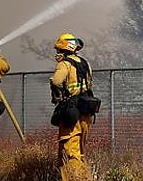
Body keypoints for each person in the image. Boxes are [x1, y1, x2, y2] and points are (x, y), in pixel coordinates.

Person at [49, 33, 95, 181]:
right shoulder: (85, 63)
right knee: (80, 149)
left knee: (70, 149)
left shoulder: (65, 64)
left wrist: (60, 94)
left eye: (58, 50)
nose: (57, 53)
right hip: (86, 111)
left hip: (72, 111)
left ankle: (74, 178)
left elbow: (56, 81)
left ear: (63, 49)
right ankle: (84, 177)